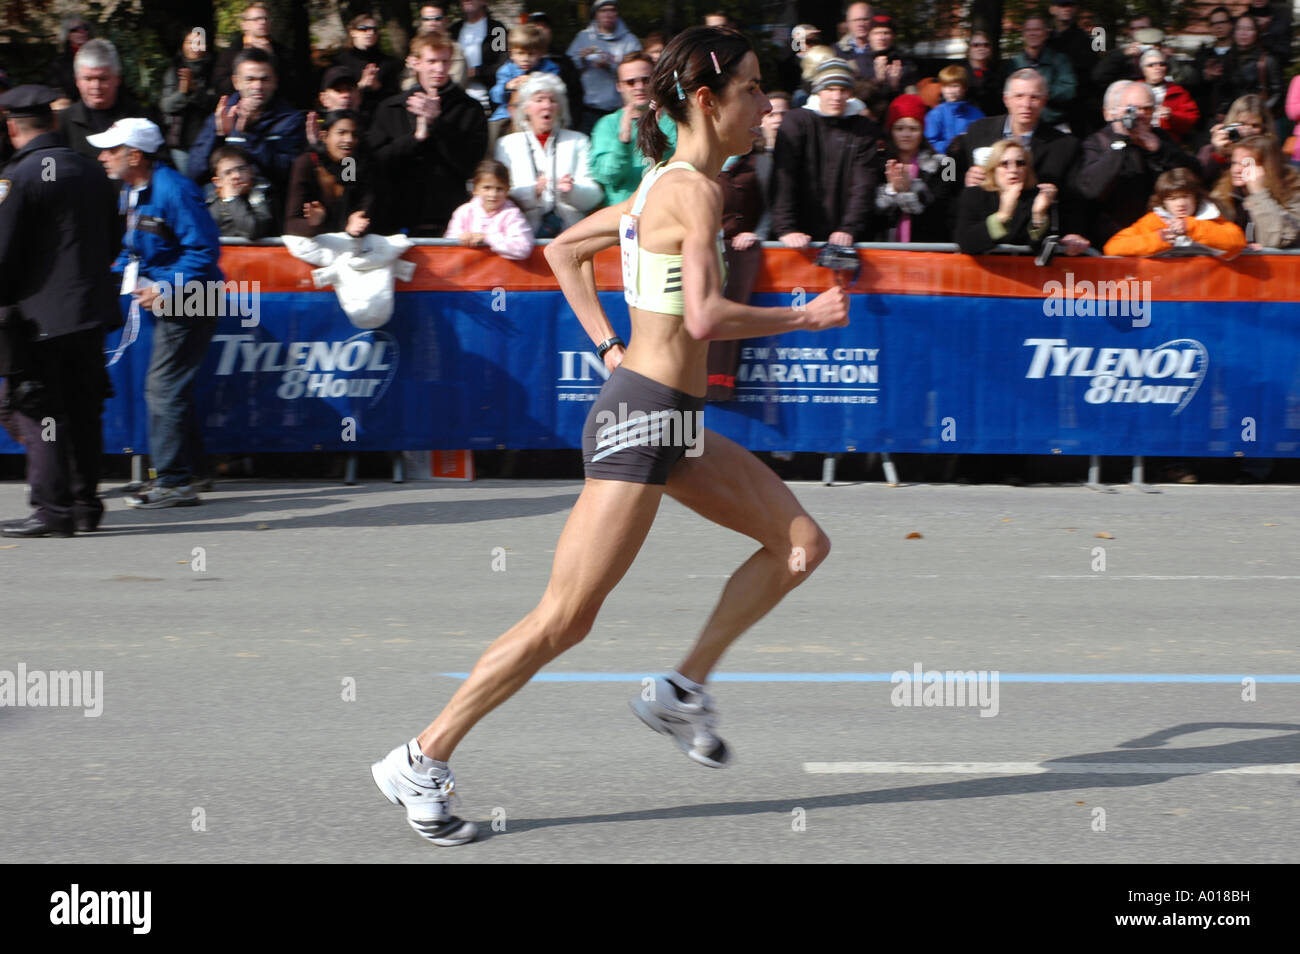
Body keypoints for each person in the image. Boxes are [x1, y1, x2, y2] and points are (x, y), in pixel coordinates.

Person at [370, 26, 847, 847]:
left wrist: (607, 344)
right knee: (565, 618)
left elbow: (564, 249)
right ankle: (422, 754)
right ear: (708, 99)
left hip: (673, 420)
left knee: (800, 545)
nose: (767, 103)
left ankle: (681, 688)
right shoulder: (692, 191)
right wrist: (803, 314)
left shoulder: (668, 182)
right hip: (641, 418)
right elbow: (703, 316)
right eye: (753, 87)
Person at [0, 86, 120, 538]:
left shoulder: (17, 178)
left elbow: (2, 254)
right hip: (88, 313)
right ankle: (85, 503)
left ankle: (52, 509)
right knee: (83, 409)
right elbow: (112, 242)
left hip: (38, 319)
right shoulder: (92, 171)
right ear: (52, 124)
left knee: (36, 410)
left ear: (13, 127)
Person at [93, 118, 224, 508]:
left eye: (111, 150)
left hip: (194, 298)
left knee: (163, 388)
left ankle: (173, 481)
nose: (102, 157)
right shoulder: (132, 189)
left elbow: (204, 251)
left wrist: (164, 285)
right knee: (172, 387)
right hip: (176, 297)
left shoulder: (174, 189)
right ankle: (193, 471)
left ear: (135, 155)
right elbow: (135, 249)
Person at [945, 70, 1088, 246]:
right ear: (1006, 99)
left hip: (1030, 244)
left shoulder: (1065, 146)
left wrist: (1074, 233)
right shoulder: (978, 130)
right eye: (1019, 96)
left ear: (1044, 101)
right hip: (980, 243)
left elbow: (1074, 199)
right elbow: (948, 171)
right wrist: (964, 178)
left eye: (1034, 97)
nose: (1026, 104)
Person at [368, 34, 485, 237]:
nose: (439, 69)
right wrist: (415, 139)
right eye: (431, 61)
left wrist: (437, 123)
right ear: (416, 63)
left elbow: (470, 164)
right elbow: (376, 161)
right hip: (396, 216)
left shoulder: (470, 109)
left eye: (445, 61)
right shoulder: (390, 108)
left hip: (448, 216)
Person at [1077, 81, 1201, 247]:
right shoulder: (1099, 141)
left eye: (1147, 109)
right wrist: (1121, 141)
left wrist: (1160, 150)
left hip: (1163, 237)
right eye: (1133, 109)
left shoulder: (1160, 138)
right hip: (1117, 238)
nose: (1140, 115)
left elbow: (1195, 174)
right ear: (1117, 111)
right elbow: (1092, 189)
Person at [771, 58, 879, 247]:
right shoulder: (795, 121)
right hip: (797, 235)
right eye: (830, 89)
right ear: (818, 91)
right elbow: (784, 176)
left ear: (850, 93)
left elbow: (863, 183)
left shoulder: (864, 128)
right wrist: (786, 228)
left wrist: (849, 228)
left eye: (843, 90)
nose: (836, 96)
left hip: (848, 236)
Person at [188, 48, 306, 215]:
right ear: (236, 82)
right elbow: (194, 172)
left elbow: (289, 173)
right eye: (250, 79)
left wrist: (250, 135)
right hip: (223, 215)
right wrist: (219, 135)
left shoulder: (290, 120)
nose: (257, 86)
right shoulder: (222, 116)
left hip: (270, 213)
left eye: (265, 79)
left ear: (275, 81)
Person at [494, 73, 603, 237]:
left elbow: (595, 195)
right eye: (539, 100)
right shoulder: (506, 144)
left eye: (552, 100)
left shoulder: (578, 141)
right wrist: (531, 192)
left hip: (570, 235)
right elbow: (499, 194)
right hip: (521, 237)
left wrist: (572, 191)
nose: (547, 106)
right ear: (526, 108)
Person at [589, 52, 677, 205]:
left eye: (646, 80)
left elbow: (680, 166)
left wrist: (656, 137)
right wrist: (622, 142)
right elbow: (606, 176)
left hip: (665, 211)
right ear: (619, 86)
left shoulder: (673, 121)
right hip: (621, 216)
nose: (639, 87)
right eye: (630, 82)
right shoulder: (607, 125)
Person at [1103, 166, 1245, 255]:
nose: (1180, 204)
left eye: (1185, 196)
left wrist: (1191, 227)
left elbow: (1237, 241)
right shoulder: (1153, 221)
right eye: (1172, 198)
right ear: (1163, 201)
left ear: (1195, 197)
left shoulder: (1211, 216)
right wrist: (1157, 239)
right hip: (1167, 292)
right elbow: (1113, 247)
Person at [59, 39, 161, 161]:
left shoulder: (139, 118)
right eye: (88, 79)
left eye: (103, 79)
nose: (95, 86)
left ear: (117, 78)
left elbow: (158, 164)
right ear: (77, 80)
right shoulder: (63, 122)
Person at [955, 139, 1057, 254]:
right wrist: (1002, 215)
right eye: (1004, 164)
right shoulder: (974, 195)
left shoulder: (1036, 198)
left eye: (1020, 163)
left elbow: (1042, 250)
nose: (1013, 170)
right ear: (993, 170)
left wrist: (1039, 215)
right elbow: (966, 242)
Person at [284, 111, 374, 238]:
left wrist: (355, 222)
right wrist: (315, 223)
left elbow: (356, 210)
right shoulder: (307, 164)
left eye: (354, 134)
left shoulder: (350, 164)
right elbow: (291, 224)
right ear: (324, 136)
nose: (349, 140)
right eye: (341, 133)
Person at [873, 94, 948, 242]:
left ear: (922, 131)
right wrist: (891, 191)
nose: (906, 135)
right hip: (885, 251)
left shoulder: (945, 164)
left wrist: (910, 189)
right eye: (899, 128)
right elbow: (871, 213)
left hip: (927, 249)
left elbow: (944, 207)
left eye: (913, 129)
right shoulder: (877, 162)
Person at [1210, 134, 1300, 248]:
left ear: (1267, 167)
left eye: (1246, 164)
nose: (1236, 170)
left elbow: (1275, 240)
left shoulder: (1292, 193)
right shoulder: (1223, 194)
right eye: (1234, 163)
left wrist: (1259, 194)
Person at [567, 0, 642, 134]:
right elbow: (568, 67)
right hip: (588, 111)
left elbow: (639, 72)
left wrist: (610, 66)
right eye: (603, 10)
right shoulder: (584, 37)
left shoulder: (630, 40)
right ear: (596, 14)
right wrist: (582, 59)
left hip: (620, 110)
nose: (608, 14)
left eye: (612, 10)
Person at [213, 2, 303, 108]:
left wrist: (273, 59)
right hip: (237, 109)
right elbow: (219, 85)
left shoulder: (283, 53)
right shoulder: (229, 53)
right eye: (257, 19)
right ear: (244, 25)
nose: (262, 22)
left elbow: (293, 86)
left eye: (266, 19)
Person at [488, 23, 561, 149]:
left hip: (537, 115)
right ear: (512, 54)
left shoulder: (549, 68)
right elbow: (495, 96)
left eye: (531, 54)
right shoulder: (507, 70)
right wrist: (507, 86)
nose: (525, 59)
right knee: (493, 131)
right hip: (506, 114)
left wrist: (535, 81)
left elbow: (555, 88)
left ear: (541, 53)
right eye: (520, 53)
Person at [444, 158, 533, 259]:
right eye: (487, 188)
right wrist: (460, 238)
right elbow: (446, 245)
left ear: (507, 189)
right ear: (475, 189)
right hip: (467, 272)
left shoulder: (513, 215)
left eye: (499, 189)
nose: (493, 194)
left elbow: (523, 248)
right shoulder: (463, 212)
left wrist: (488, 238)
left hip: (501, 273)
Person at [161, 28, 219, 174]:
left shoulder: (214, 69)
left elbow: (216, 103)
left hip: (209, 139)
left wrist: (195, 91)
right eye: (190, 42)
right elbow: (165, 105)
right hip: (181, 141)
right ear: (183, 45)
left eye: (198, 42)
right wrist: (182, 93)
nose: (194, 46)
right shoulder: (174, 71)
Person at [1008, 14, 1076, 129]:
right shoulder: (1014, 63)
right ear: (1023, 34)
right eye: (1029, 30)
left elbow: (1069, 90)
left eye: (1037, 29)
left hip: (1054, 124)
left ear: (1045, 33)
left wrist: (1040, 91)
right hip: (1022, 124)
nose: (1033, 33)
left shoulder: (1060, 60)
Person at [332, 13, 402, 123]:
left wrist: (378, 86)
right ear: (353, 32)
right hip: (350, 118)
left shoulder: (388, 62)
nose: (370, 33)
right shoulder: (340, 61)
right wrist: (360, 86)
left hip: (381, 119)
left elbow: (396, 96)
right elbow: (334, 94)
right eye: (363, 29)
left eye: (374, 29)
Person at [1047, 0, 1099, 135]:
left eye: (1070, 5)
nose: (1066, 9)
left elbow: (1092, 76)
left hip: (1078, 111)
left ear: (1076, 8)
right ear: (1052, 9)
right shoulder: (1046, 41)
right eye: (1061, 5)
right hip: (1049, 111)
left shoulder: (1086, 41)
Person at [450, 0, 509, 116]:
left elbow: (502, 65)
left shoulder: (497, 30)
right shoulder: (454, 30)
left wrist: (476, 72)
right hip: (455, 101)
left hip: (486, 102)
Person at [1216, 15, 1282, 117]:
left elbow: (1278, 92)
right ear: (1234, 32)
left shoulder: (1267, 60)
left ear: (1256, 33)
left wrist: (1261, 110)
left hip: (1258, 117)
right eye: (1240, 28)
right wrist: (1223, 110)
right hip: (1234, 116)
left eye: (1249, 29)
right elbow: (1225, 91)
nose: (1243, 33)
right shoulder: (1228, 58)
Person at [1199, 94, 1274, 184]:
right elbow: (1202, 181)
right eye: (1242, 124)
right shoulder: (1210, 150)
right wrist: (1219, 154)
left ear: (1264, 127)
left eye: (1255, 125)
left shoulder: (1271, 151)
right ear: (1232, 123)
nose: (1247, 130)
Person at [206, 144, 275, 240]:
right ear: (217, 182)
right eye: (228, 172)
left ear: (251, 172)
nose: (236, 176)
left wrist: (232, 199)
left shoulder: (263, 192)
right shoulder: (212, 204)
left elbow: (253, 230)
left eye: (241, 169)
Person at [1141, 48, 1198, 144]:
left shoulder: (1179, 92)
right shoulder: (1132, 89)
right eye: (1151, 65)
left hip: (1167, 143)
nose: (1157, 68)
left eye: (1161, 64)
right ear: (1143, 70)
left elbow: (1191, 121)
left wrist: (1172, 117)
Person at [1190, 6, 1236, 124]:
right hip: (1206, 119)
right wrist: (1205, 76)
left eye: (1222, 22)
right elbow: (1192, 86)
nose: (1218, 26)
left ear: (1231, 24)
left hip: (1234, 116)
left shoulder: (1238, 53)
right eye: (1214, 23)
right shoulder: (1203, 55)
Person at [924, 64, 983, 154]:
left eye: (955, 86)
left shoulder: (975, 113)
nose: (950, 91)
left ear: (964, 88)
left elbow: (983, 136)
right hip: (946, 162)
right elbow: (931, 141)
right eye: (946, 86)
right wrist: (950, 146)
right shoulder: (936, 114)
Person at [44, 16, 91, 103]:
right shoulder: (58, 63)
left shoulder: (99, 54)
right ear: (67, 35)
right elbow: (56, 91)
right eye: (75, 29)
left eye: (85, 28)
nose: (82, 31)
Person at [963, 31, 1004, 118]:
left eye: (986, 45)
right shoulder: (961, 73)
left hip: (991, 122)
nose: (981, 48)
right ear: (969, 49)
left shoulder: (998, 73)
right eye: (976, 45)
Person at [836, 2, 875, 78]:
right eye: (856, 20)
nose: (861, 24)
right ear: (848, 23)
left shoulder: (884, 51)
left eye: (865, 19)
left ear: (873, 21)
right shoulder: (836, 52)